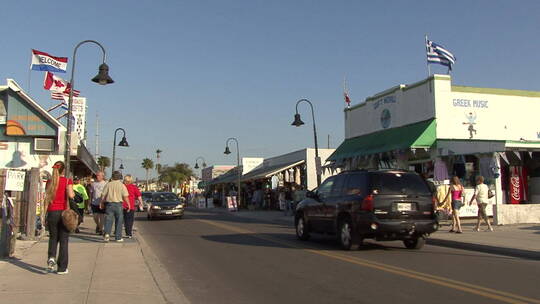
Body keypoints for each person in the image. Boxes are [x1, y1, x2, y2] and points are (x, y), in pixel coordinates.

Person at [43, 161, 75, 274]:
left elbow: (46, 199)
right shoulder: (67, 181)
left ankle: (51, 257)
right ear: (64, 170)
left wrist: (44, 215)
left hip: (52, 213)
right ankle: (62, 268)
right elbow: (71, 195)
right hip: (63, 213)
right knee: (64, 240)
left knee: (53, 238)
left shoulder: (50, 182)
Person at [100, 171, 129, 242]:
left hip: (109, 204)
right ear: (119, 177)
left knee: (108, 220)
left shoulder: (108, 184)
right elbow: (125, 196)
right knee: (119, 221)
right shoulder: (122, 185)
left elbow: (103, 195)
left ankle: (107, 234)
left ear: (112, 177)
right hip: (118, 204)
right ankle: (118, 237)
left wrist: (101, 203)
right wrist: (128, 204)